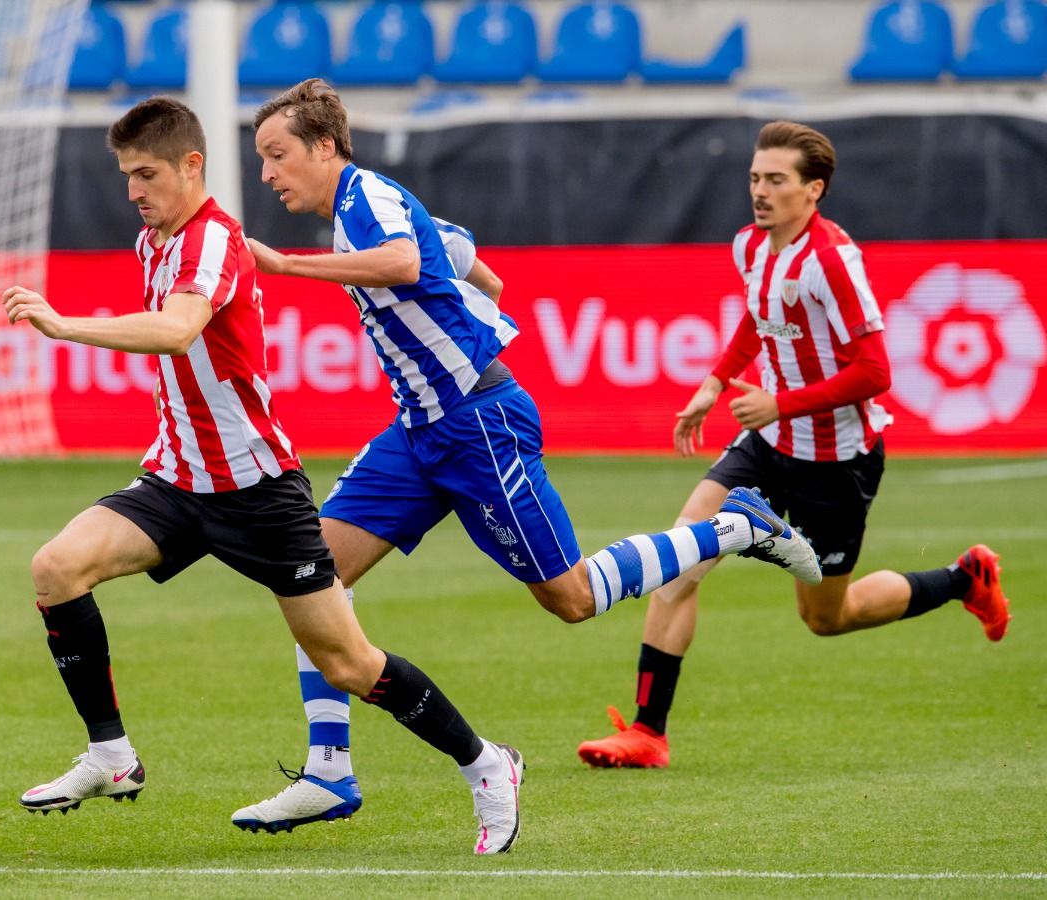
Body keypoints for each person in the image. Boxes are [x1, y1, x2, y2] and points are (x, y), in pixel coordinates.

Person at [232, 79, 821, 835]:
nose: (269, 174)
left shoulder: (364, 198)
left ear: (323, 148)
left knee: (570, 599)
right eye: (261, 160)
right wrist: (477, 284)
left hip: (480, 424)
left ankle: (731, 528)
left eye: (277, 156)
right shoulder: (368, 203)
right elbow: (466, 258)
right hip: (421, 430)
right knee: (312, 578)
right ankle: (328, 773)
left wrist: (285, 268)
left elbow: (407, 260)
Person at [2, 97, 527, 855]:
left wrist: (63, 322)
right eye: (124, 176)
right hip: (178, 482)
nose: (132, 191)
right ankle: (113, 758)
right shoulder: (156, 239)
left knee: (346, 662)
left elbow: (177, 330)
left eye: (145, 174)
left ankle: (486, 765)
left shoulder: (215, 240)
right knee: (56, 569)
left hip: (258, 493)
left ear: (192, 166)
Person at [575, 121, 1013, 769]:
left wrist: (781, 401)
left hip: (836, 461)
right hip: (766, 444)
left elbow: (876, 372)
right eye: (755, 177)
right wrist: (714, 383)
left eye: (776, 180)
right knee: (679, 563)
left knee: (827, 617)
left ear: (814, 191)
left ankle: (962, 580)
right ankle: (647, 732)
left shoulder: (833, 262)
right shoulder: (750, 246)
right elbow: (758, 316)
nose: (760, 191)